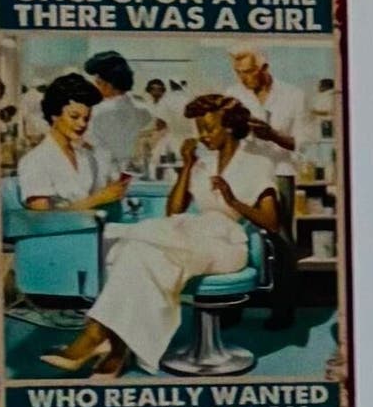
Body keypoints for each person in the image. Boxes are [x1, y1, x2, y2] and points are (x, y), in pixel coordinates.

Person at [34, 95, 288, 379]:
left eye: (209, 128)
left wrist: (232, 199)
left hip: (229, 243)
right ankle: (111, 342)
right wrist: (188, 166)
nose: (202, 136)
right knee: (136, 252)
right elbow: (174, 210)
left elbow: (272, 223)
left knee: (135, 241)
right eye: (199, 129)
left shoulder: (257, 164)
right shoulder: (203, 164)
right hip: (193, 233)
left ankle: (96, 337)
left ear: (229, 127)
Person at [17, 74, 127, 216]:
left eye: (86, 118)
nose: (82, 124)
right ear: (54, 115)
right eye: (74, 116)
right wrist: (97, 199)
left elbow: (97, 195)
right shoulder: (34, 161)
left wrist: (113, 192)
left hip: (91, 230)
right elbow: (42, 220)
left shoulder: (86, 156)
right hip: (61, 237)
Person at [82, 54, 159, 177]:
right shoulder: (145, 110)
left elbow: (87, 144)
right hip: (137, 174)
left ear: (105, 84)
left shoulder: (96, 112)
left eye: (97, 82)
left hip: (102, 174)